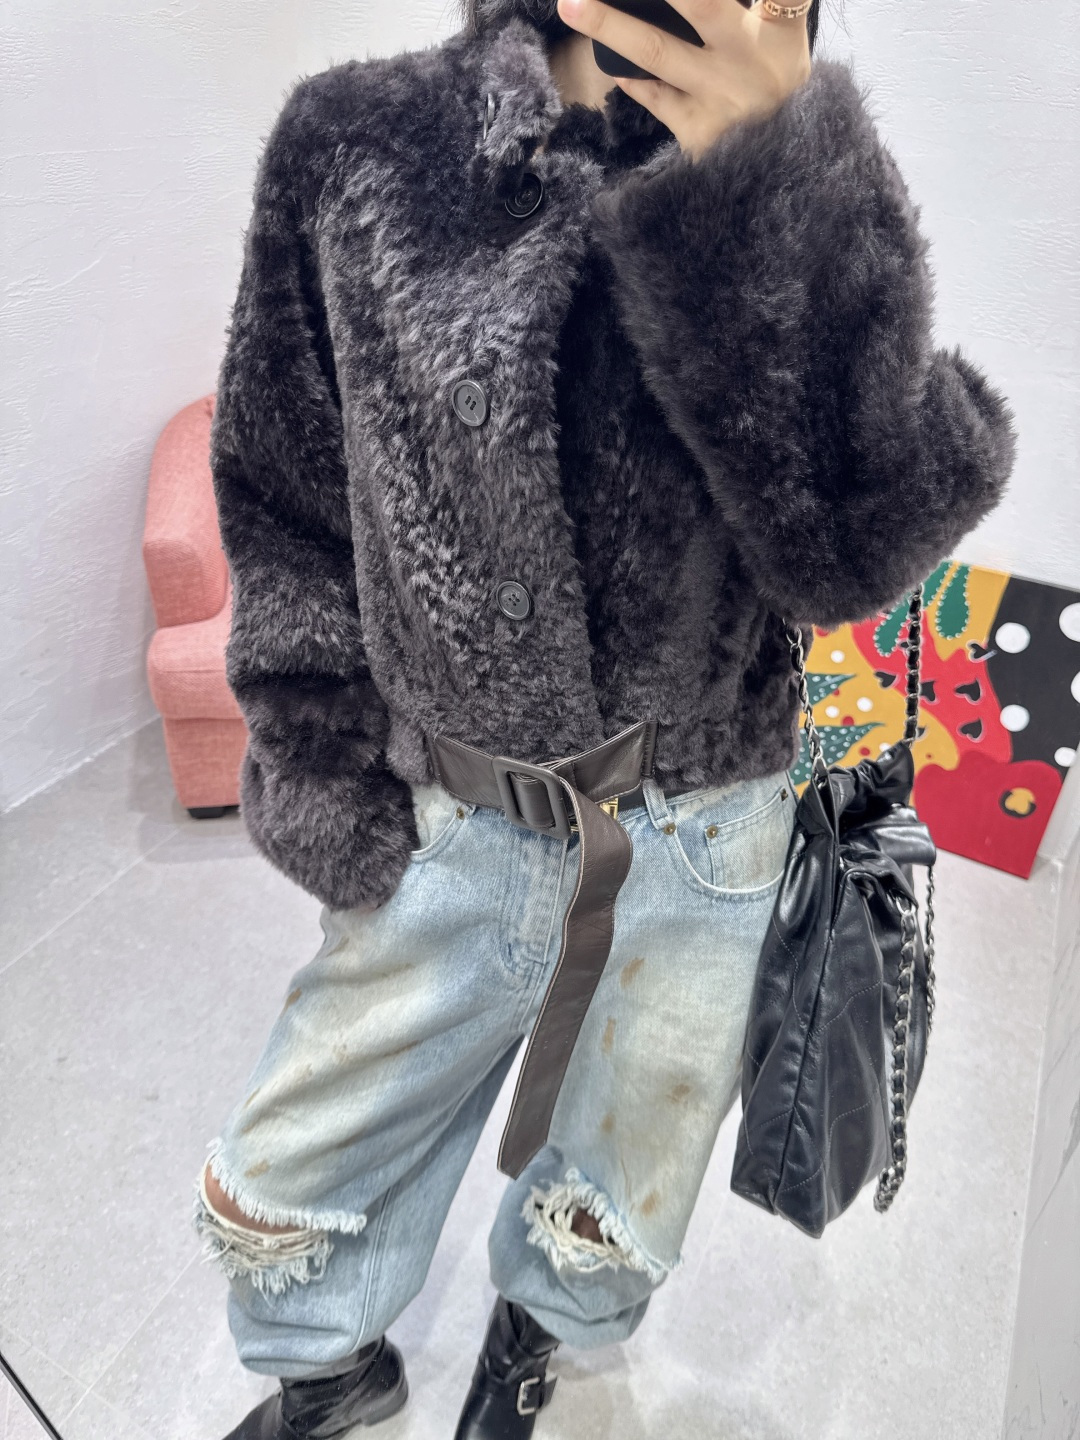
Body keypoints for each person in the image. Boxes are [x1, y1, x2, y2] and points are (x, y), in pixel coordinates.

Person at [192, 0, 1016, 1435]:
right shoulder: (357, 142)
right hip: (446, 810)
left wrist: (769, 184)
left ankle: (535, 1344)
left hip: (703, 827)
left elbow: (850, 554)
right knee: (306, 1161)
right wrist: (320, 767)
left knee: (622, 1176)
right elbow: (289, 495)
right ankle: (324, 1376)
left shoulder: (807, 167)